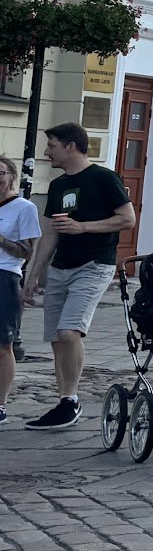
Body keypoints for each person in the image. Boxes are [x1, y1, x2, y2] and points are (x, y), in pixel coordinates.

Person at [21, 124, 135, 431]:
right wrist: (33, 276)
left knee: (70, 331)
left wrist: (83, 227)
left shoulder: (103, 178)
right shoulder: (58, 186)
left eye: (52, 145)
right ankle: (63, 401)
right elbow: (48, 235)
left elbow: (127, 219)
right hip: (60, 268)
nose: (47, 152)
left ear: (71, 146)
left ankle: (71, 400)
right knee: (58, 339)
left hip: (94, 265)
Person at [0, 157, 34, 427]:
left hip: (5, 276)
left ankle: (0, 404)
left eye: (0, 173)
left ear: (11, 176)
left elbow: (26, 251)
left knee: (3, 345)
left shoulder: (24, 208)